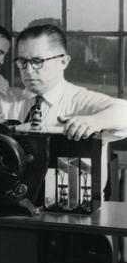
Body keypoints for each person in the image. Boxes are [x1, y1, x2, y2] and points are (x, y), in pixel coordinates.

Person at [14, 23, 127, 193]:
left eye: (37, 61)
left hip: (73, 211)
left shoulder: (81, 100)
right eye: (23, 61)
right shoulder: (11, 100)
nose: (29, 71)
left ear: (63, 62)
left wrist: (94, 121)